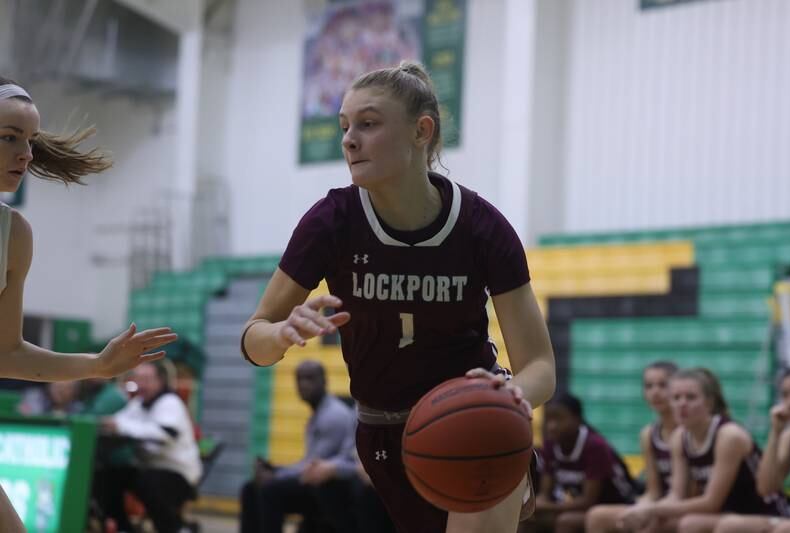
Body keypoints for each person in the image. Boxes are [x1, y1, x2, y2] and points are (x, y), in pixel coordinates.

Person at [240, 61, 556, 533]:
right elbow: (253, 340)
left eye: (367, 124)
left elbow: (541, 368)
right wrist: (281, 334)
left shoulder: (481, 226)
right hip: (382, 431)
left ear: (421, 131)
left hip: (475, 422)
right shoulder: (330, 222)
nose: (349, 140)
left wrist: (510, 396)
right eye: (345, 126)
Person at [0, 77, 177, 532]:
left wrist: (99, 365)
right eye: (9, 137)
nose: (25, 154)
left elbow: (7, 353)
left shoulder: (14, 235)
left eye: (31, 141)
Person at [618, 368, 787, 533]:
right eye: (676, 398)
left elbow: (711, 502)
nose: (682, 404)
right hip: (726, 515)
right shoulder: (679, 437)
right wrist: (643, 509)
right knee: (652, 523)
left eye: (690, 398)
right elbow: (677, 495)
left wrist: (653, 509)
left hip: (764, 513)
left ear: (709, 402)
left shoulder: (729, 436)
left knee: (692, 524)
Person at [239, 360, 363, 533]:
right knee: (251, 488)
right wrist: (275, 470)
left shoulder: (333, 416)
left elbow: (314, 466)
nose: (304, 384)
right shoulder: (318, 413)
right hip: (319, 479)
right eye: (299, 379)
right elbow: (309, 462)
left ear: (324, 381)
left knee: (269, 490)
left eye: (310, 378)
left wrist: (275, 474)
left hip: (330, 485)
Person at [96, 361, 202, 533]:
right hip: (150, 470)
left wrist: (121, 427)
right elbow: (119, 420)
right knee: (107, 477)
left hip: (178, 475)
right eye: (137, 379)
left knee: (146, 481)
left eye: (146, 379)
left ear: (161, 381)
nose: (140, 384)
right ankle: (124, 528)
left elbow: (164, 433)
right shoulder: (138, 404)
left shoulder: (170, 402)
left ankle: (175, 528)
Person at [586, 361, 679, 532]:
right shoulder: (648, 434)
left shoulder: (687, 431)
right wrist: (639, 508)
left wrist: (649, 511)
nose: (655, 392)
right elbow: (653, 492)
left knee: (648, 524)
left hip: (682, 508)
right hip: (660, 505)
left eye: (663, 385)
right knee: (598, 516)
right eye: (649, 386)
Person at [529, 393, 637, 533]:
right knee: (529, 519)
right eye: (549, 419)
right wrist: (535, 505)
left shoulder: (594, 446)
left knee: (566, 522)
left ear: (577, 419)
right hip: (582, 509)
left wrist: (544, 507)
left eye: (559, 419)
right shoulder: (551, 444)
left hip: (615, 505)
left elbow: (588, 501)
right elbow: (545, 493)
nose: (552, 426)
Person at [713, 367, 790, 533]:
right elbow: (766, 488)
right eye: (785, 395)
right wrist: (775, 433)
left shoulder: (730, 435)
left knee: (785, 529)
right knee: (729, 526)